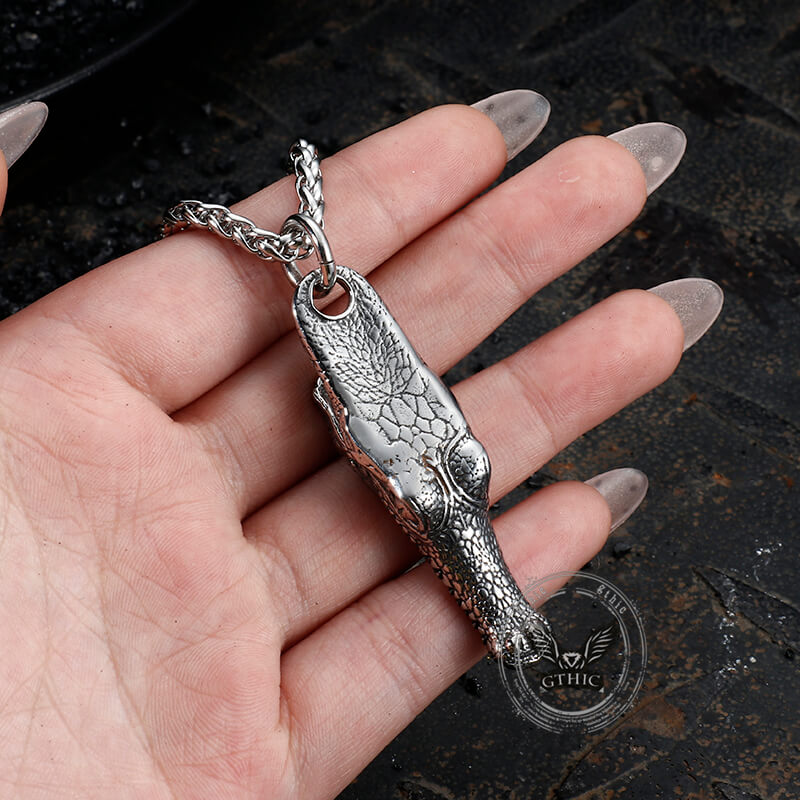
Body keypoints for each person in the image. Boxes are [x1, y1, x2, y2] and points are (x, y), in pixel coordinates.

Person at [0, 92, 721, 798]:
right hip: (409, 454)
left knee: (453, 491)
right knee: (442, 500)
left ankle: (465, 508)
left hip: (432, 450)